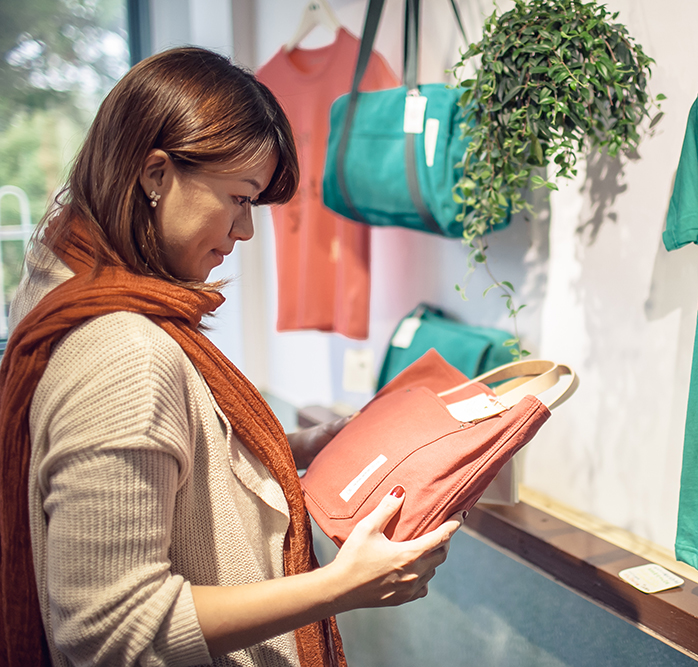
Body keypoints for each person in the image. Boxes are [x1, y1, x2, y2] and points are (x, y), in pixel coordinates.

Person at [0, 46, 462, 666]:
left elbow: (164, 462)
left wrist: (299, 446)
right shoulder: (124, 350)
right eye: (241, 198)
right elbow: (111, 630)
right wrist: (342, 586)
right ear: (156, 175)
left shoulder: (63, 279)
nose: (245, 232)